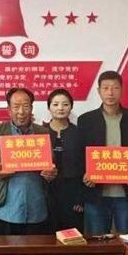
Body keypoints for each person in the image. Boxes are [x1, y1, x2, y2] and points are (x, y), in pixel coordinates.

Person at [78, 71, 128, 235]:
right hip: (96, 195)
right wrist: (84, 175)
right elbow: (80, 155)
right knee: (97, 244)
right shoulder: (86, 120)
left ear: (121, 90)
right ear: (98, 91)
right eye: (106, 88)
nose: (110, 93)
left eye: (115, 88)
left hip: (126, 195)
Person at [0, 88, 58, 235]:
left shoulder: (43, 133)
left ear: (32, 108)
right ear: (9, 110)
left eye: (26, 106)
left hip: (37, 208)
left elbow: (51, 165)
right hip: (6, 209)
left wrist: (51, 173)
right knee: (6, 249)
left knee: (36, 249)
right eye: (16, 107)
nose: (21, 112)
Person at [45, 89, 84, 231]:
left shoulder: (79, 133)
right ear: (49, 107)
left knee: (72, 236)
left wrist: (81, 199)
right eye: (55, 104)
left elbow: (85, 167)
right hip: (46, 194)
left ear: (71, 107)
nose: (60, 108)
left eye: (65, 104)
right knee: (47, 237)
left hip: (72, 194)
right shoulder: (40, 132)